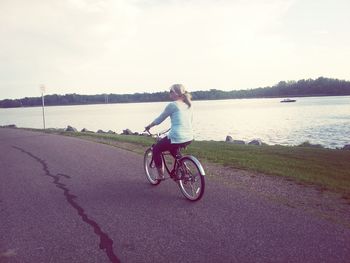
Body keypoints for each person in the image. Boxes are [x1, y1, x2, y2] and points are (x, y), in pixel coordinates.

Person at [145, 84, 194, 179]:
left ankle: (160, 175)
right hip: (189, 136)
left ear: (177, 94)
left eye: (171, 91)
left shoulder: (172, 105)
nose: (169, 93)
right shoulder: (189, 105)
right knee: (172, 147)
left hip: (177, 136)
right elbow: (189, 121)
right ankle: (184, 168)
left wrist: (149, 126)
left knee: (156, 149)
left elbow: (159, 119)